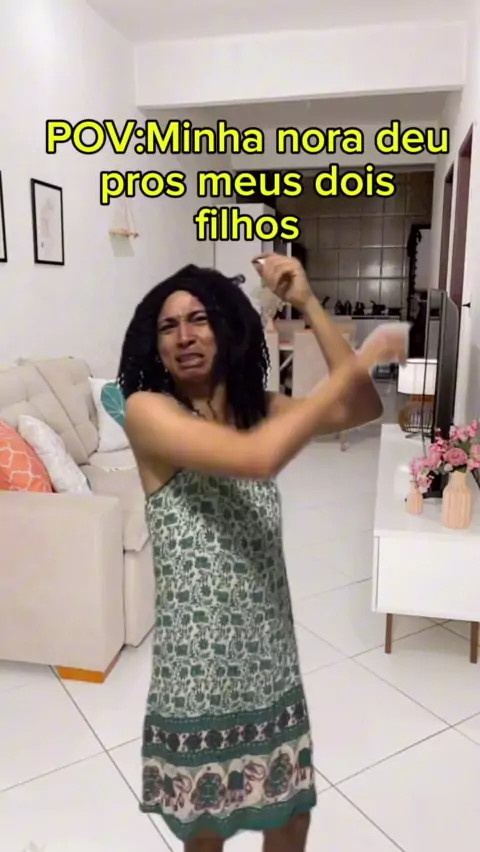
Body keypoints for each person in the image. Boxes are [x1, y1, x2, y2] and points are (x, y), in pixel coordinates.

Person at [118, 254, 407, 852]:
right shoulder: (149, 412)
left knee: (290, 818)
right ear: (156, 346)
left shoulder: (261, 411)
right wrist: (359, 364)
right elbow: (257, 459)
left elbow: (363, 408)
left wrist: (307, 302)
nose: (184, 336)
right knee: (206, 834)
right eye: (168, 326)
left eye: (199, 319)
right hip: (198, 672)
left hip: (269, 655)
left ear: (226, 328)